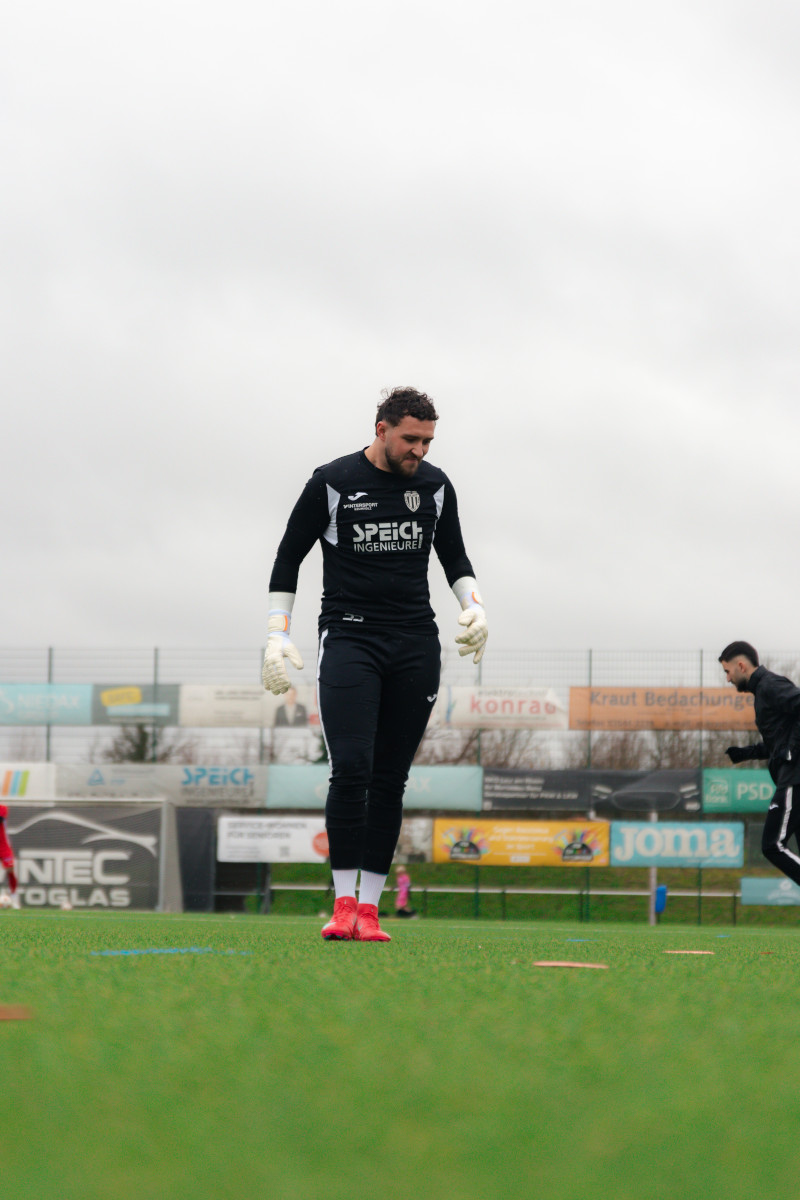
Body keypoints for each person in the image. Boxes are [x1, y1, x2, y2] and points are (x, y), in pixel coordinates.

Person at [262, 386, 487, 942]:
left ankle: (370, 910)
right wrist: (275, 634)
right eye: (411, 439)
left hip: (415, 642)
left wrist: (475, 606)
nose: (420, 451)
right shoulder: (332, 482)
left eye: (428, 441)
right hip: (350, 638)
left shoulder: (435, 486)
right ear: (381, 429)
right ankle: (341, 904)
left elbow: (454, 554)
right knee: (352, 768)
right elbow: (289, 555)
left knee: (390, 779)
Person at [720, 641, 800, 887]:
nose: (727, 679)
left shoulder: (770, 686)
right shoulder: (762, 694)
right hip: (792, 774)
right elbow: (779, 743)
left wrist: (792, 749)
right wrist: (746, 753)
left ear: (741, 666)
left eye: (727, 671)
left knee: (772, 845)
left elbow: (788, 744)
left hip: (795, 777)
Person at [0, 806, 18, 905]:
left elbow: (0, 819)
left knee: (10, 870)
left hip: (3, 846)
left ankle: (14, 896)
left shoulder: (2, 808)